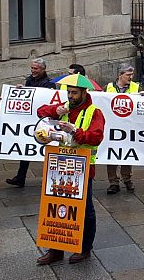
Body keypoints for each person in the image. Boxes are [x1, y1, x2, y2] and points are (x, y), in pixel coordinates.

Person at [36, 74, 104, 264]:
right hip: (58, 165)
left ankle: (84, 248)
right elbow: (41, 113)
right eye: (68, 92)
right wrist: (56, 110)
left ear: (84, 92)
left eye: (74, 93)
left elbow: (96, 137)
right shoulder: (64, 109)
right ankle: (55, 249)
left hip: (83, 168)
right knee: (54, 206)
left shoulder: (94, 112)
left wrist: (74, 130)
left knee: (85, 210)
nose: (71, 96)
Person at [7, 58, 57, 188]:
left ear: (43, 69)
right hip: (29, 121)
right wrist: (20, 90)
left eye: (36, 69)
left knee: (47, 150)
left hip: (42, 122)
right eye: (32, 68)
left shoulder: (49, 84)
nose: (33, 71)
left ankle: (51, 178)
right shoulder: (29, 80)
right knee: (26, 149)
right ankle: (20, 177)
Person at [104, 64, 140, 194]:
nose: (131, 77)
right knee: (111, 154)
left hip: (128, 127)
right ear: (120, 75)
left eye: (132, 75)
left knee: (126, 154)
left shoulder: (136, 87)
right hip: (112, 127)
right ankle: (113, 182)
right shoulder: (108, 88)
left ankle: (127, 179)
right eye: (128, 75)